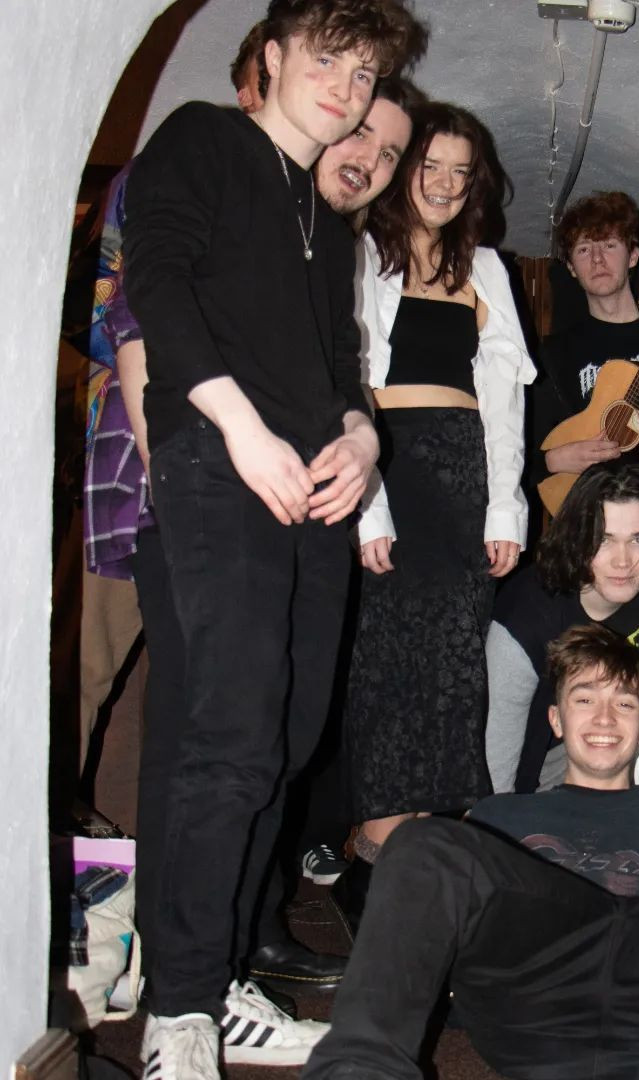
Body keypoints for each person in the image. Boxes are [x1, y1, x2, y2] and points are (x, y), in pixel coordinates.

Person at [122, 2, 423, 1076]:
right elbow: (155, 282)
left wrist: (362, 439)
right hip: (222, 464)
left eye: (366, 72)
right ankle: (179, 1009)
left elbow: (340, 367)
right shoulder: (203, 139)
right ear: (275, 56)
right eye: (329, 60)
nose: (347, 87)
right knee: (231, 738)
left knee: (288, 744)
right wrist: (241, 429)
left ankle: (220, 980)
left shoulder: (327, 221)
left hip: (313, 491)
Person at [303, 624, 639, 1080]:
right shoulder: (502, 816)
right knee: (422, 840)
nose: (604, 718)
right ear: (556, 719)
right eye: (585, 698)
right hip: (534, 998)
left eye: (624, 703)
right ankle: (359, 1069)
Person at [344, 101, 535, 864]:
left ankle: (429, 846)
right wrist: (368, 507)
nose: (447, 184)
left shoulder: (485, 267)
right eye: (432, 166)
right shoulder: (361, 253)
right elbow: (347, 386)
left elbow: (506, 404)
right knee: (388, 659)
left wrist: (505, 508)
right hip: (388, 466)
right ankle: (377, 839)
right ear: (402, 168)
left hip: (464, 475)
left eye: (462, 172)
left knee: (454, 665)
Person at [485, 460, 639, 801]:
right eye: (605, 540)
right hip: (558, 764)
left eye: (638, 540)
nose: (622, 562)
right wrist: (507, 822)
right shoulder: (526, 618)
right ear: (578, 539)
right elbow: (496, 766)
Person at [533, 190, 639, 493]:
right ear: (570, 267)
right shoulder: (555, 354)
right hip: (589, 507)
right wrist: (553, 460)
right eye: (584, 249)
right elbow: (513, 448)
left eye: (609, 245)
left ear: (633, 256)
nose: (597, 259)